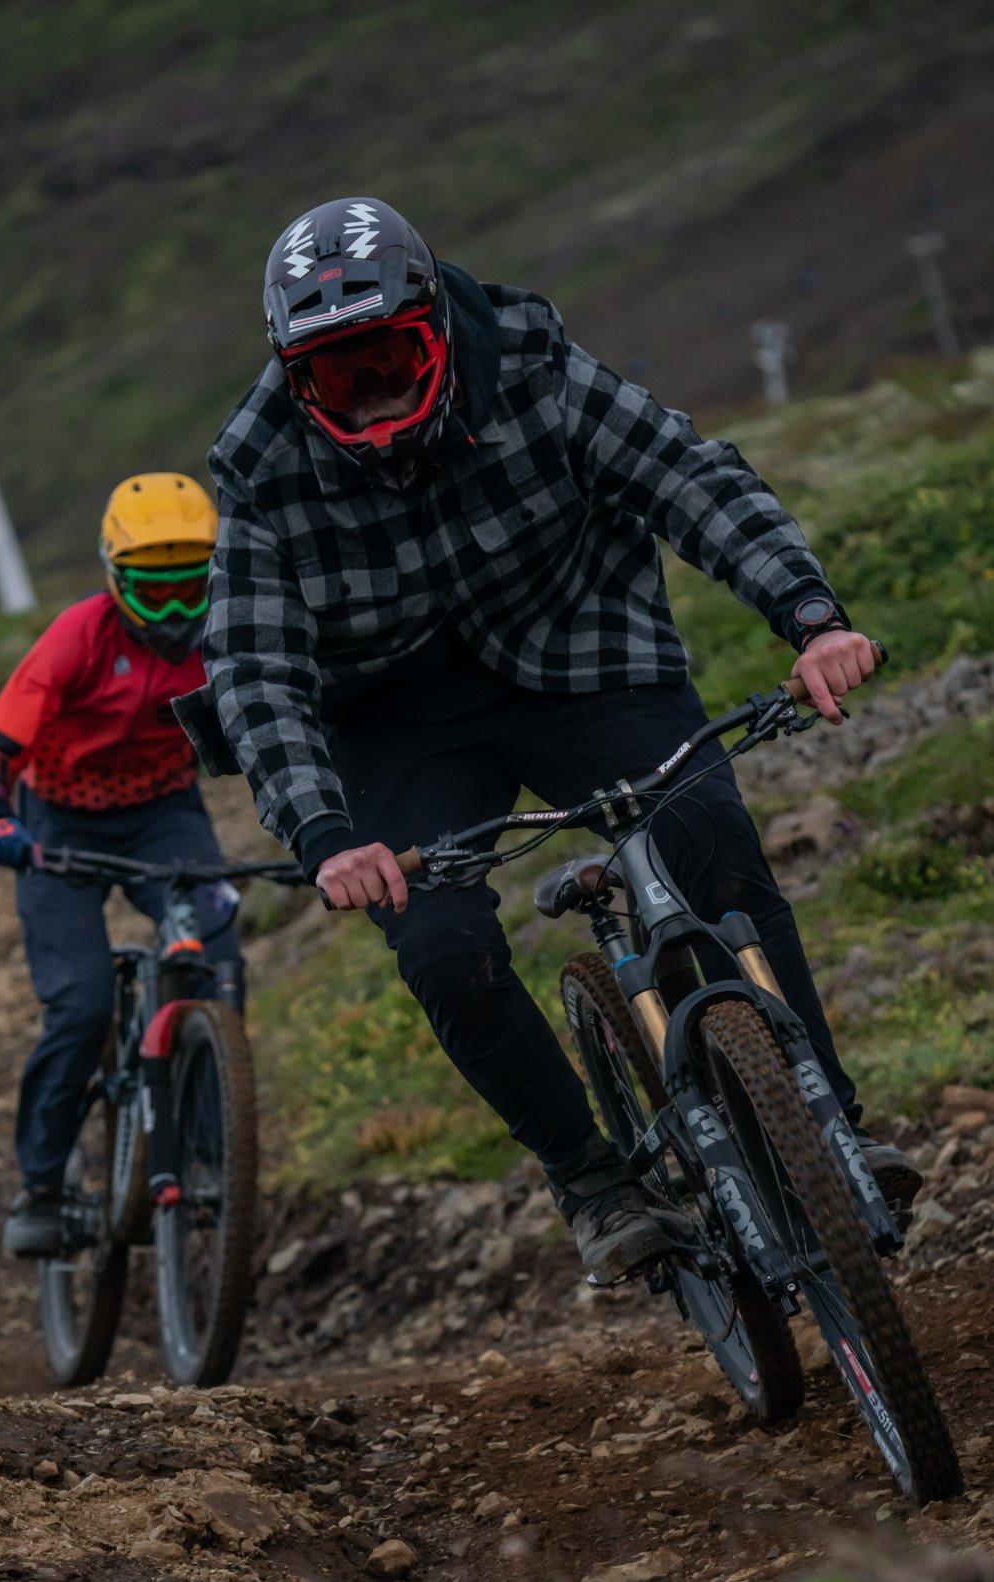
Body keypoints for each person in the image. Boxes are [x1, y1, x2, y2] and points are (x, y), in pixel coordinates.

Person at [178, 196, 921, 1282]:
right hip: (400, 718)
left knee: (710, 833)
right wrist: (326, 833)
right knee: (442, 947)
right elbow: (255, 668)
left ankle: (829, 1124)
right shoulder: (259, 466)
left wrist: (809, 618)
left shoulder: (530, 359)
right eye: (342, 375)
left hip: (586, 656)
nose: (374, 389)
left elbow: (687, 477)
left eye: (388, 354)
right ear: (298, 380)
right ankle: (591, 1175)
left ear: (434, 326)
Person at [0, 471, 243, 1258]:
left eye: (192, 588)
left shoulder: (228, 629)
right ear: (112, 577)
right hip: (58, 824)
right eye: (151, 593)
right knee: (81, 1007)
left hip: (164, 818)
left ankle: (219, 1150)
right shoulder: (77, 636)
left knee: (219, 963)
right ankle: (42, 1185)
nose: (175, 612)